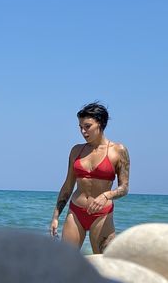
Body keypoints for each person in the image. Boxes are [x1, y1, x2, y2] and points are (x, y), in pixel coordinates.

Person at [49, 102, 130, 253]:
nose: (83, 131)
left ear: (100, 123)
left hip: (102, 215)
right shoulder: (76, 151)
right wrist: (55, 217)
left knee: (104, 263)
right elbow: (68, 185)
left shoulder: (118, 151)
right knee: (65, 262)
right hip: (75, 212)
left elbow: (124, 188)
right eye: (80, 127)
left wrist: (107, 195)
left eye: (87, 126)